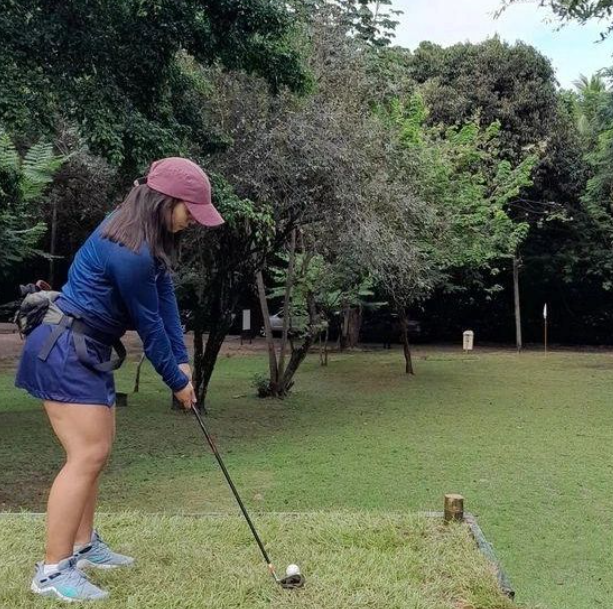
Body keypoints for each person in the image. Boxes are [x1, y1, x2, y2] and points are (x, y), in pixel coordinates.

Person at [15, 157, 224, 602]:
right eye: (190, 211)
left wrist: (182, 361)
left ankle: (83, 546)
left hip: (85, 349)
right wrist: (177, 381)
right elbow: (149, 328)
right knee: (86, 454)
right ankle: (52, 571)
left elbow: (163, 295)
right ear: (166, 201)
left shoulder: (143, 235)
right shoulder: (130, 250)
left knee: (97, 451)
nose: (192, 223)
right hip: (64, 349)